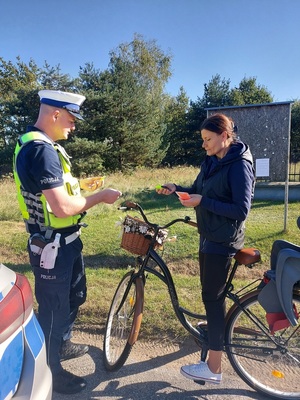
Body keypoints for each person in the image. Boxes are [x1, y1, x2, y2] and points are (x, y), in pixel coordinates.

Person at [13, 90, 122, 394]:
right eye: (72, 120)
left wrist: (83, 187)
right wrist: (100, 197)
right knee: (53, 308)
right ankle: (50, 371)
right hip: (52, 246)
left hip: (66, 242)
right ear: (56, 114)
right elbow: (61, 208)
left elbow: (54, 193)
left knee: (75, 297)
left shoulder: (45, 145)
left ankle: (62, 345)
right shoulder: (41, 150)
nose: (74, 127)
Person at [157, 113, 254, 384]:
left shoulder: (239, 165)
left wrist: (202, 202)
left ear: (225, 136)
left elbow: (241, 209)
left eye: (208, 139)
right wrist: (178, 189)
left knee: (212, 300)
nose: (204, 145)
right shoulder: (212, 161)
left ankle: (213, 369)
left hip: (223, 240)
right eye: (203, 140)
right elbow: (199, 191)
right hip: (209, 235)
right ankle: (213, 336)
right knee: (211, 297)